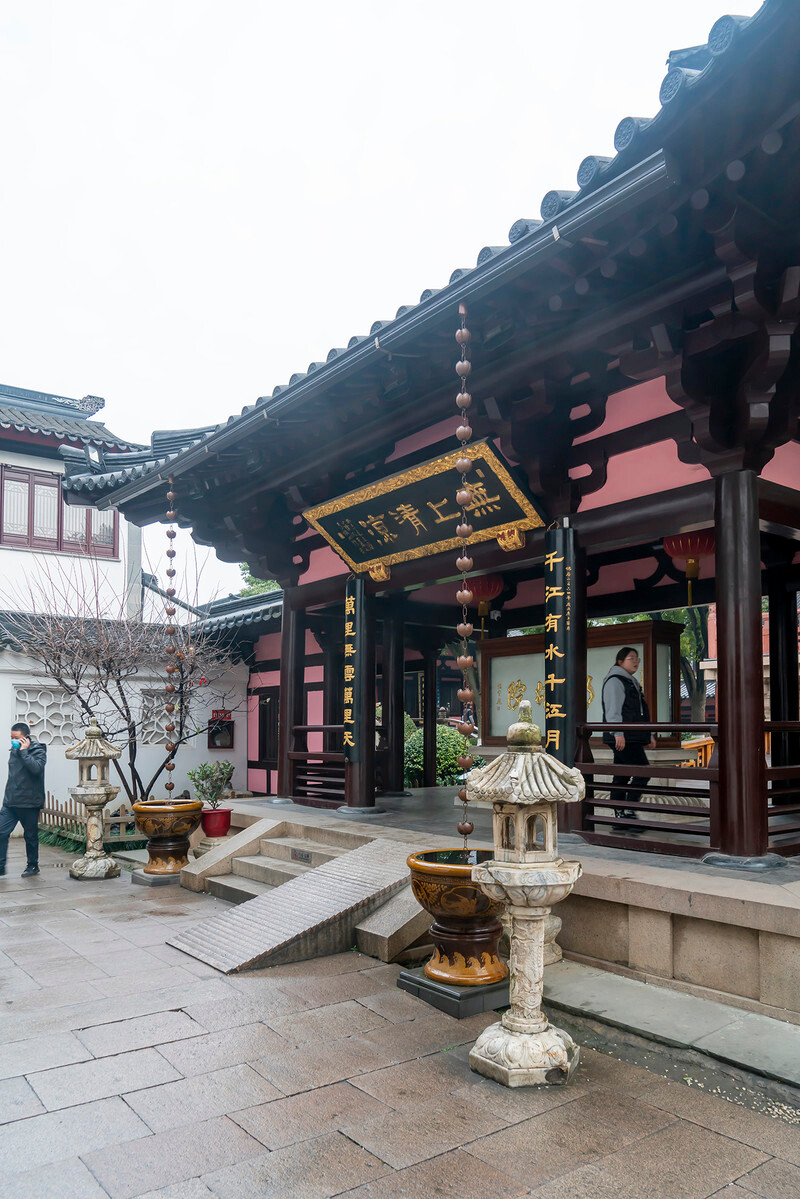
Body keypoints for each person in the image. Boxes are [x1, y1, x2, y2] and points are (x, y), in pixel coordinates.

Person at [601, 647, 655, 824]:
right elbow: (613, 709)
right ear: (620, 662)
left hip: (630, 736)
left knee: (622, 774)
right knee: (642, 771)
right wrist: (617, 732)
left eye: (637, 658)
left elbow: (640, 712)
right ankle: (628, 810)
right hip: (622, 736)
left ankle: (620, 814)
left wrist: (648, 735)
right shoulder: (615, 681)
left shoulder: (630, 681)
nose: (636, 661)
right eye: (631, 658)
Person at [0, 722, 47, 877]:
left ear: (26, 738)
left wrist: (24, 752)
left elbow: (36, 769)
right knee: (1, 832)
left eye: (16, 737)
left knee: (30, 836)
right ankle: (0, 866)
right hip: (11, 802)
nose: (13, 740)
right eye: (11, 737)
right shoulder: (13, 750)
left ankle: (33, 866)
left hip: (29, 802)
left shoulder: (38, 750)